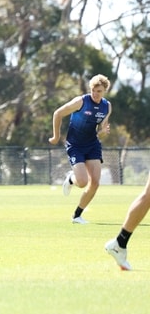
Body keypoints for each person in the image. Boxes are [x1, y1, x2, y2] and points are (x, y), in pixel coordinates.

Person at [48, 74, 111, 224]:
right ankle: (71, 178)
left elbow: (102, 126)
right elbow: (58, 113)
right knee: (82, 182)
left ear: (105, 91)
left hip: (92, 144)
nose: (96, 94)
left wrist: (103, 131)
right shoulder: (81, 101)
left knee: (95, 182)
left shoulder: (107, 106)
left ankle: (77, 215)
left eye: (99, 91)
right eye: (94, 90)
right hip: (75, 144)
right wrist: (56, 136)